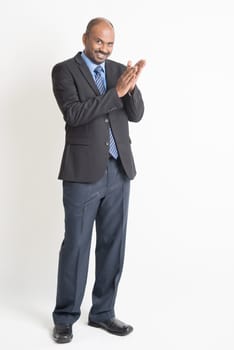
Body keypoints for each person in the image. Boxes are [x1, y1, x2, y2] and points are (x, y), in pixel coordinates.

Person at [51, 17, 146, 344]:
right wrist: (115, 92)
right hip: (82, 174)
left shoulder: (120, 70)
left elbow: (135, 114)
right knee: (76, 246)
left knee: (112, 245)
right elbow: (74, 114)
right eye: (99, 42)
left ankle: (103, 313)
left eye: (109, 44)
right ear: (85, 38)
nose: (104, 50)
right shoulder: (64, 71)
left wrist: (130, 89)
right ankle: (64, 317)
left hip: (119, 172)